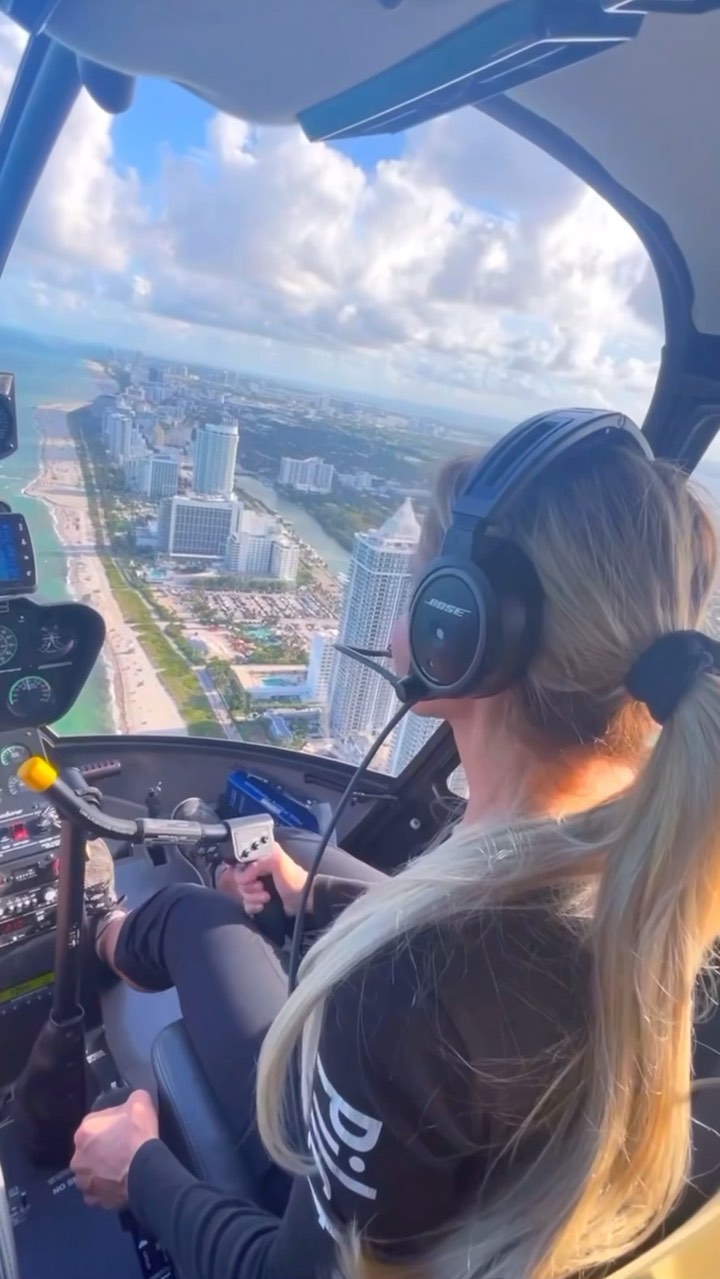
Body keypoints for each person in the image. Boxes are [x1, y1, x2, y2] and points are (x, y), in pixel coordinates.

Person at [71, 433, 720, 1279]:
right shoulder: (665, 860)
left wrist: (140, 1168)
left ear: (462, 628)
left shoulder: (414, 986)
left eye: (423, 582)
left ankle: (101, 934)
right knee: (299, 855)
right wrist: (320, 896)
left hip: (333, 1194)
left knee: (193, 914)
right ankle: (130, 927)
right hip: (471, 1177)